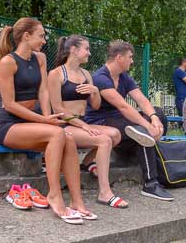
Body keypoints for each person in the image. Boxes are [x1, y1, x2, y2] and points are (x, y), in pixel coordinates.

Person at [0, 18, 94, 224]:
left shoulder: (39, 58)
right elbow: (10, 104)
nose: (44, 41)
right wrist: (44, 121)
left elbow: (44, 90)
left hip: (34, 123)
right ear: (26, 36)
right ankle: (55, 195)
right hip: (9, 125)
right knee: (57, 134)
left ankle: (77, 202)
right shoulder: (8, 62)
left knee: (69, 138)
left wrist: (49, 118)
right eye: (41, 36)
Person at [83, 40, 173, 201]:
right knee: (141, 130)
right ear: (119, 57)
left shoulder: (124, 77)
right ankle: (151, 184)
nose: (132, 61)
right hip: (100, 122)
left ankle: (138, 150)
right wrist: (147, 125)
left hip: (121, 123)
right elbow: (123, 106)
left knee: (159, 114)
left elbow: (141, 100)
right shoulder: (100, 77)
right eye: (130, 57)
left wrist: (153, 119)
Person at [48, 35, 127, 208]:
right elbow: (57, 110)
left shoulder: (86, 74)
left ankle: (87, 162)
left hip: (82, 122)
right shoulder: (56, 74)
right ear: (74, 50)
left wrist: (95, 91)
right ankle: (105, 193)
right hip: (65, 125)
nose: (89, 53)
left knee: (115, 135)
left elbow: (96, 106)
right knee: (104, 140)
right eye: (86, 49)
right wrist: (83, 126)